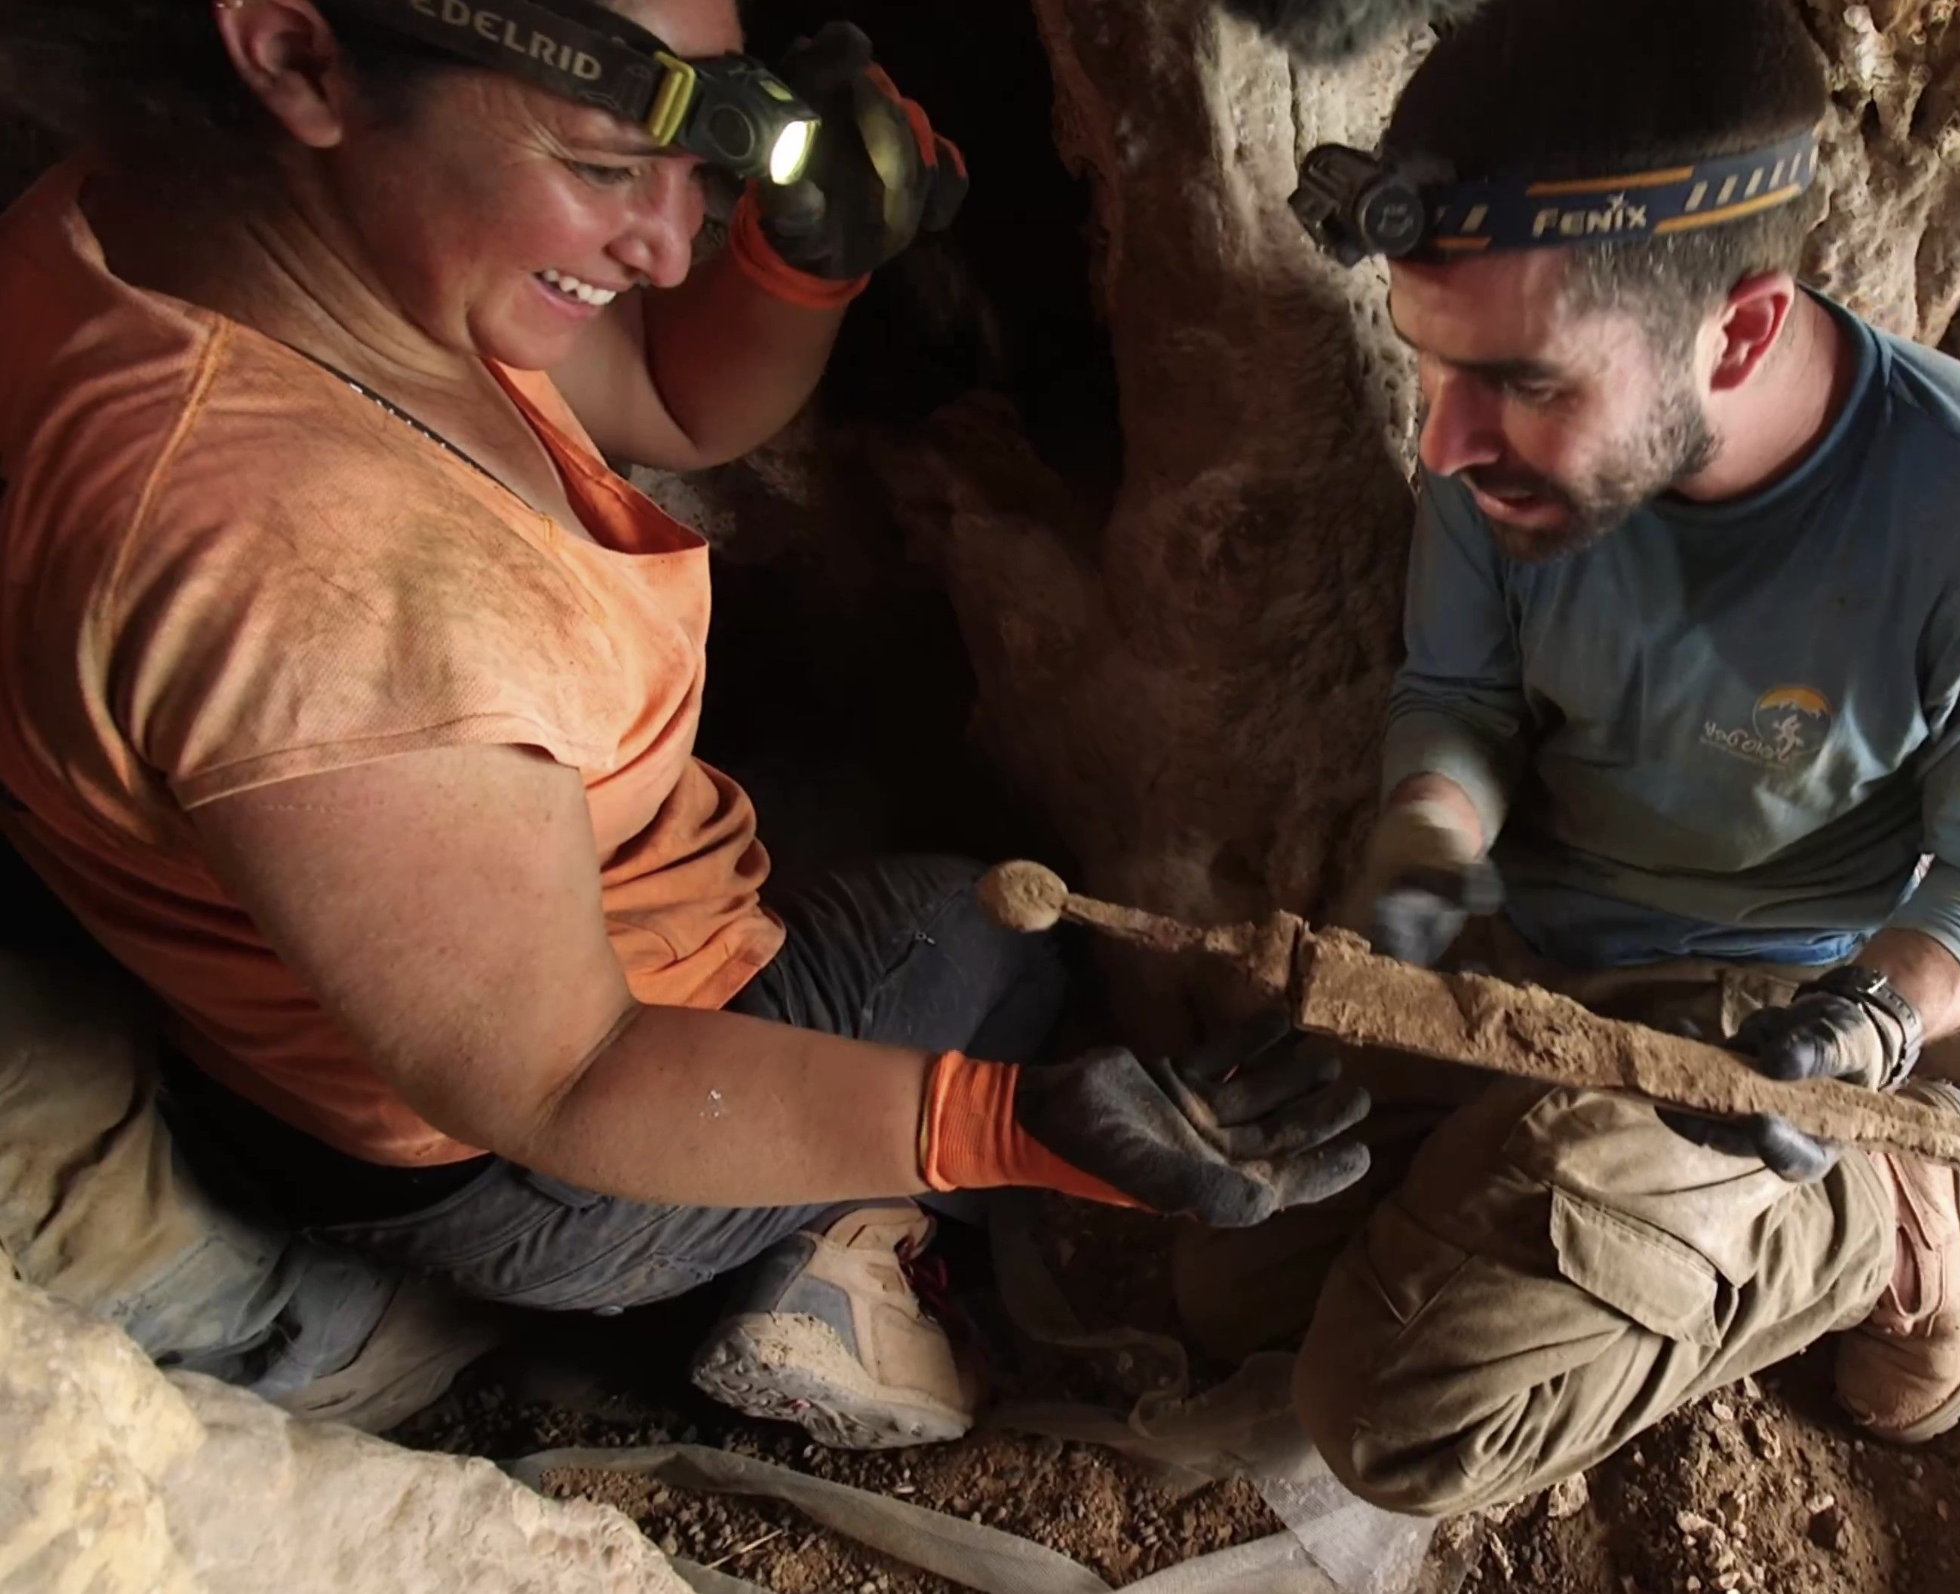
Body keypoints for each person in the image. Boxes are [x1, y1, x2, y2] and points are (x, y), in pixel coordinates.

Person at [0, 0, 1368, 1444]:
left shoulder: (227, 227)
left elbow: (661, 391)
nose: (665, 245)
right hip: (512, 1162)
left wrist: (801, 256)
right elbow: (569, 1075)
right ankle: (827, 1261)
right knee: (979, 927)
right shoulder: (309, 581)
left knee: (832, 793)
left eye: (690, 163)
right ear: (296, 53)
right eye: (602, 169)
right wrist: (1001, 1125)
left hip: (367, 976)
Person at [1219, 0, 1960, 1517]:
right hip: (1534, 942)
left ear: (1742, 325)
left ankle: (1878, 1197)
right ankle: (1547, 1172)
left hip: (1763, 1013)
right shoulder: (1492, 442)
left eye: (1523, 379)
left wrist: (1871, 1024)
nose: (1443, 443)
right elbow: (1460, 692)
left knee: (1392, 1413)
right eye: (1433, 367)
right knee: (1221, 1276)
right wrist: (1430, 832)